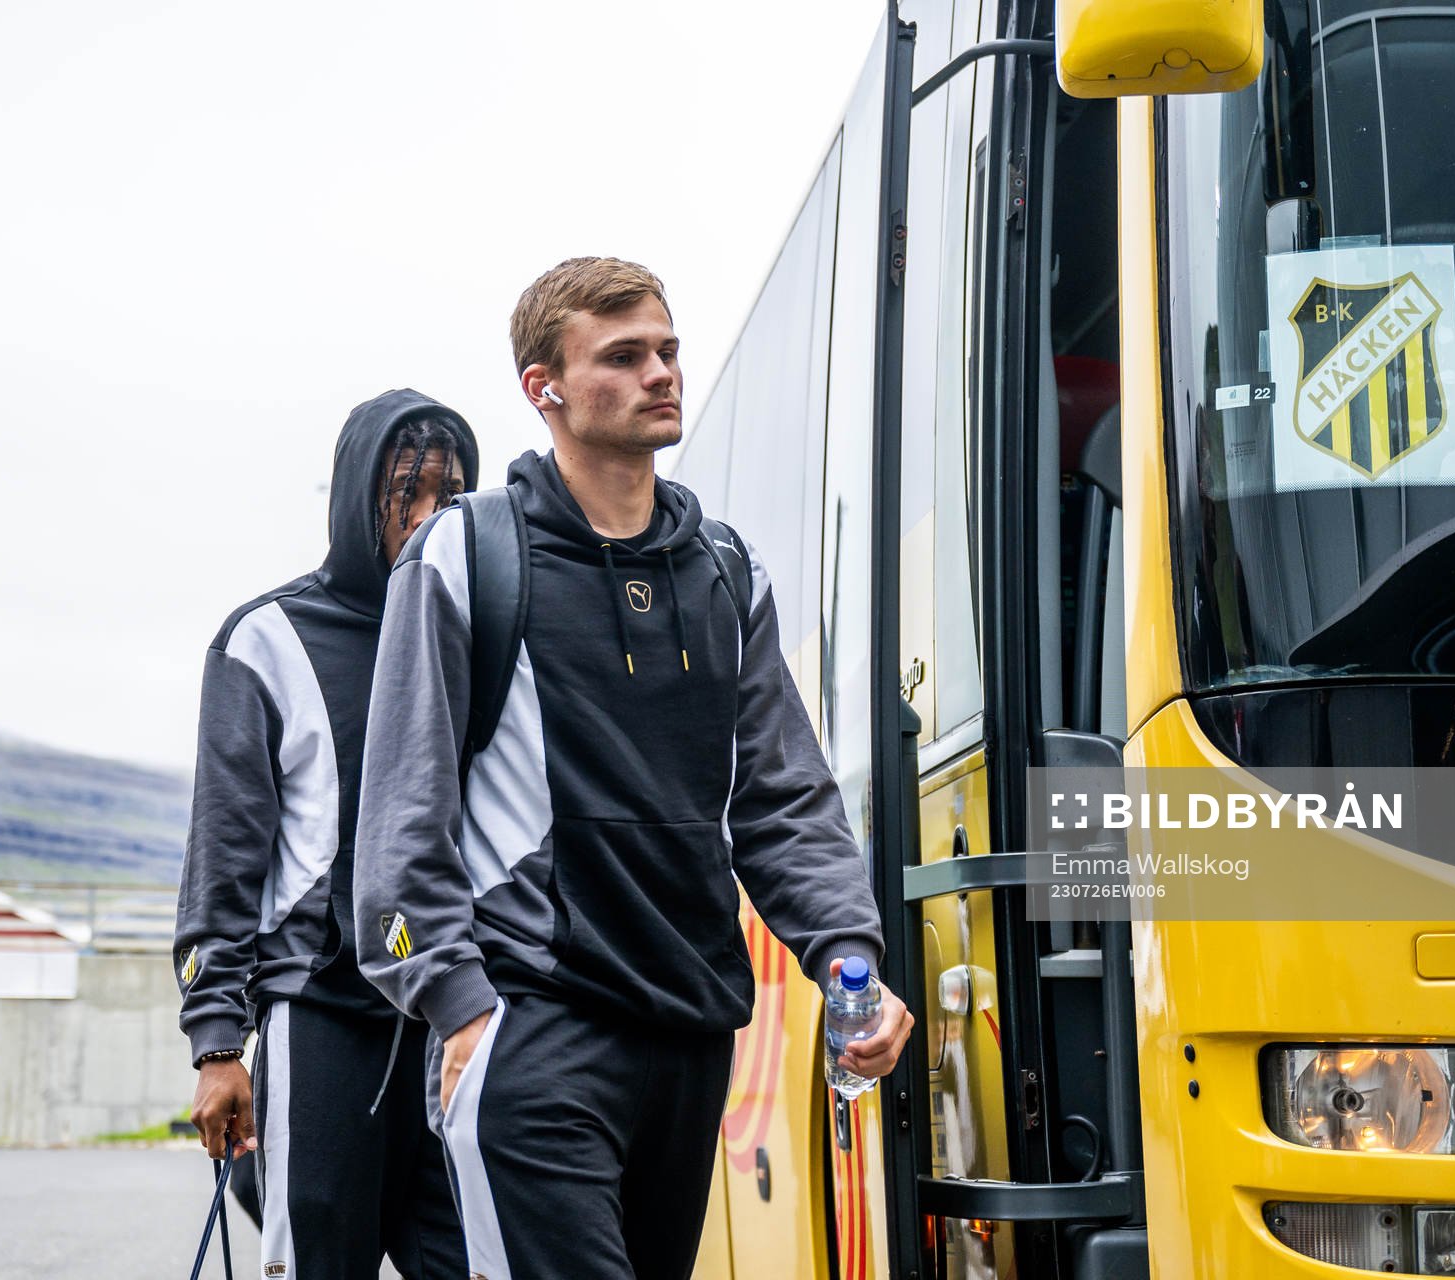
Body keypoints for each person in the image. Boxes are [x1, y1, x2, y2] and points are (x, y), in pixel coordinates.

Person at [354, 258, 915, 1280]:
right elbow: (402, 817)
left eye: (667, 350)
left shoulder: (724, 570)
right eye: (623, 356)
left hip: (692, 1034)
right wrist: (461, 1005)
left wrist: (848, 956)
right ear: (545, 387)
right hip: (534, 1025)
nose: (660, 372)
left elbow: (783, 796)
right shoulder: (464, 554)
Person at [173, 389, 478, 1280]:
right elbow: (223, 853)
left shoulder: (477, 624)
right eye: (405, 492)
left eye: (449, 494)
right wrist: (218, 1043)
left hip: (458, 1019)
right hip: (324, 1020)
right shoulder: (265, 638)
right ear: (358, 498)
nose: (429, 516)